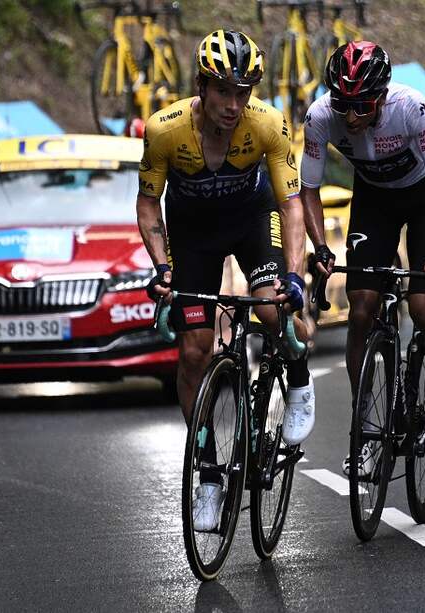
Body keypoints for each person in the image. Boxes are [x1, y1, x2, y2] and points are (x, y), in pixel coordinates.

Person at [136, 30, 315, 530]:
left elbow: (290, 203)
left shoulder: (268, 125)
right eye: (224, 92)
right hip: (193, 236)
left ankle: (297, 375)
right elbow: (149, 202)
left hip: (251, 222)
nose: (234, 105)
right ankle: (210, 475)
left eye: (244, 92)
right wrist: (163, 269)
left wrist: (294, 276)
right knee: (194, 352)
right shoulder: (164, 130)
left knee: (269, 308)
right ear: (202, 86)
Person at [300, 41, 425, 474]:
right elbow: (309, 190)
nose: (351, 117)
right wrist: (319, 247)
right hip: (373, 201)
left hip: (422, 198)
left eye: (362, 106)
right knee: (360, 309)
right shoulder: (320, 118)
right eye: (343, 105)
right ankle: (364, 424)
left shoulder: (411, 108)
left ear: (382, 97)